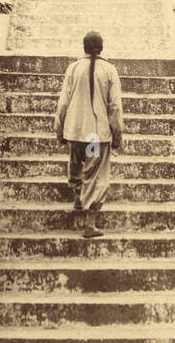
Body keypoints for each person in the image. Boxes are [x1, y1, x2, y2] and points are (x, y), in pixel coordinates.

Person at [53, 31, 124, 238]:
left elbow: (63, 102)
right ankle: (90, 224)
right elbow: (115, 107)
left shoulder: (73, 68)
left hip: (75, 132)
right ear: (101, 47)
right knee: (94, 174)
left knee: (75, 167)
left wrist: (60, 131)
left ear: (84, 47)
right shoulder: (110, 71)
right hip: (95, 136)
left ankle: (78, 198)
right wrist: (117, 135)